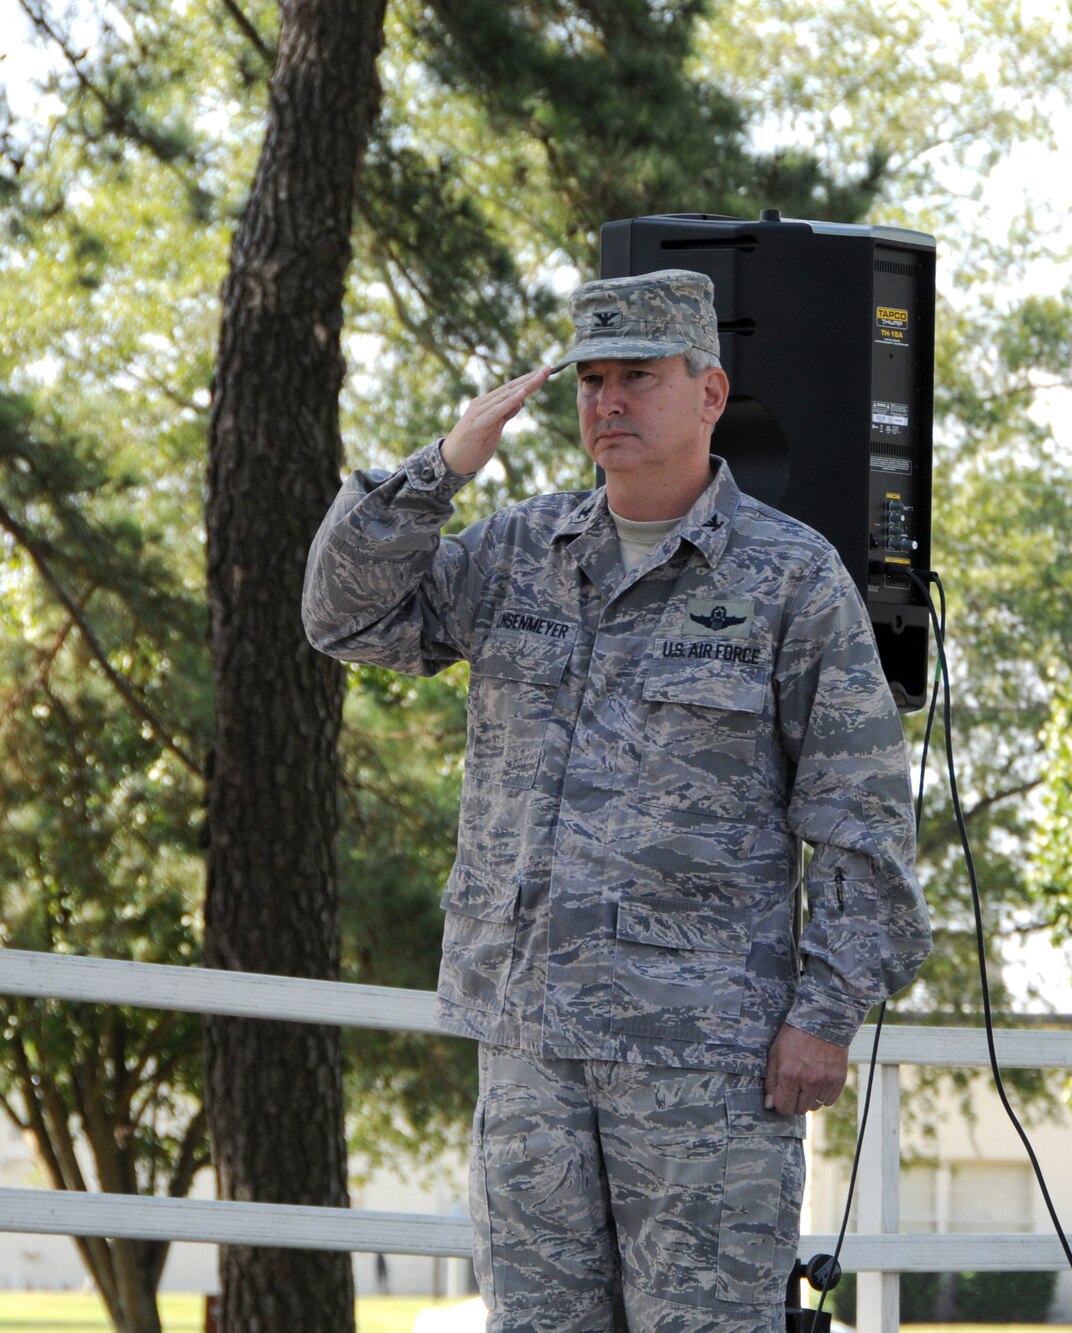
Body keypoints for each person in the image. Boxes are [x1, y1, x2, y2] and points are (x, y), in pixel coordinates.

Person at [303, 270, 931, 1330]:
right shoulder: (518, 552)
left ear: (709, 392)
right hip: (529, 1051)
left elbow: (862, 819)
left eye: (637, 375)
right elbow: (340, 614)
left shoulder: (788, 578)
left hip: (707, 1067)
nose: (608, 402)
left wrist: (823, 1015)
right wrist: (445, 466)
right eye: (591, 380)